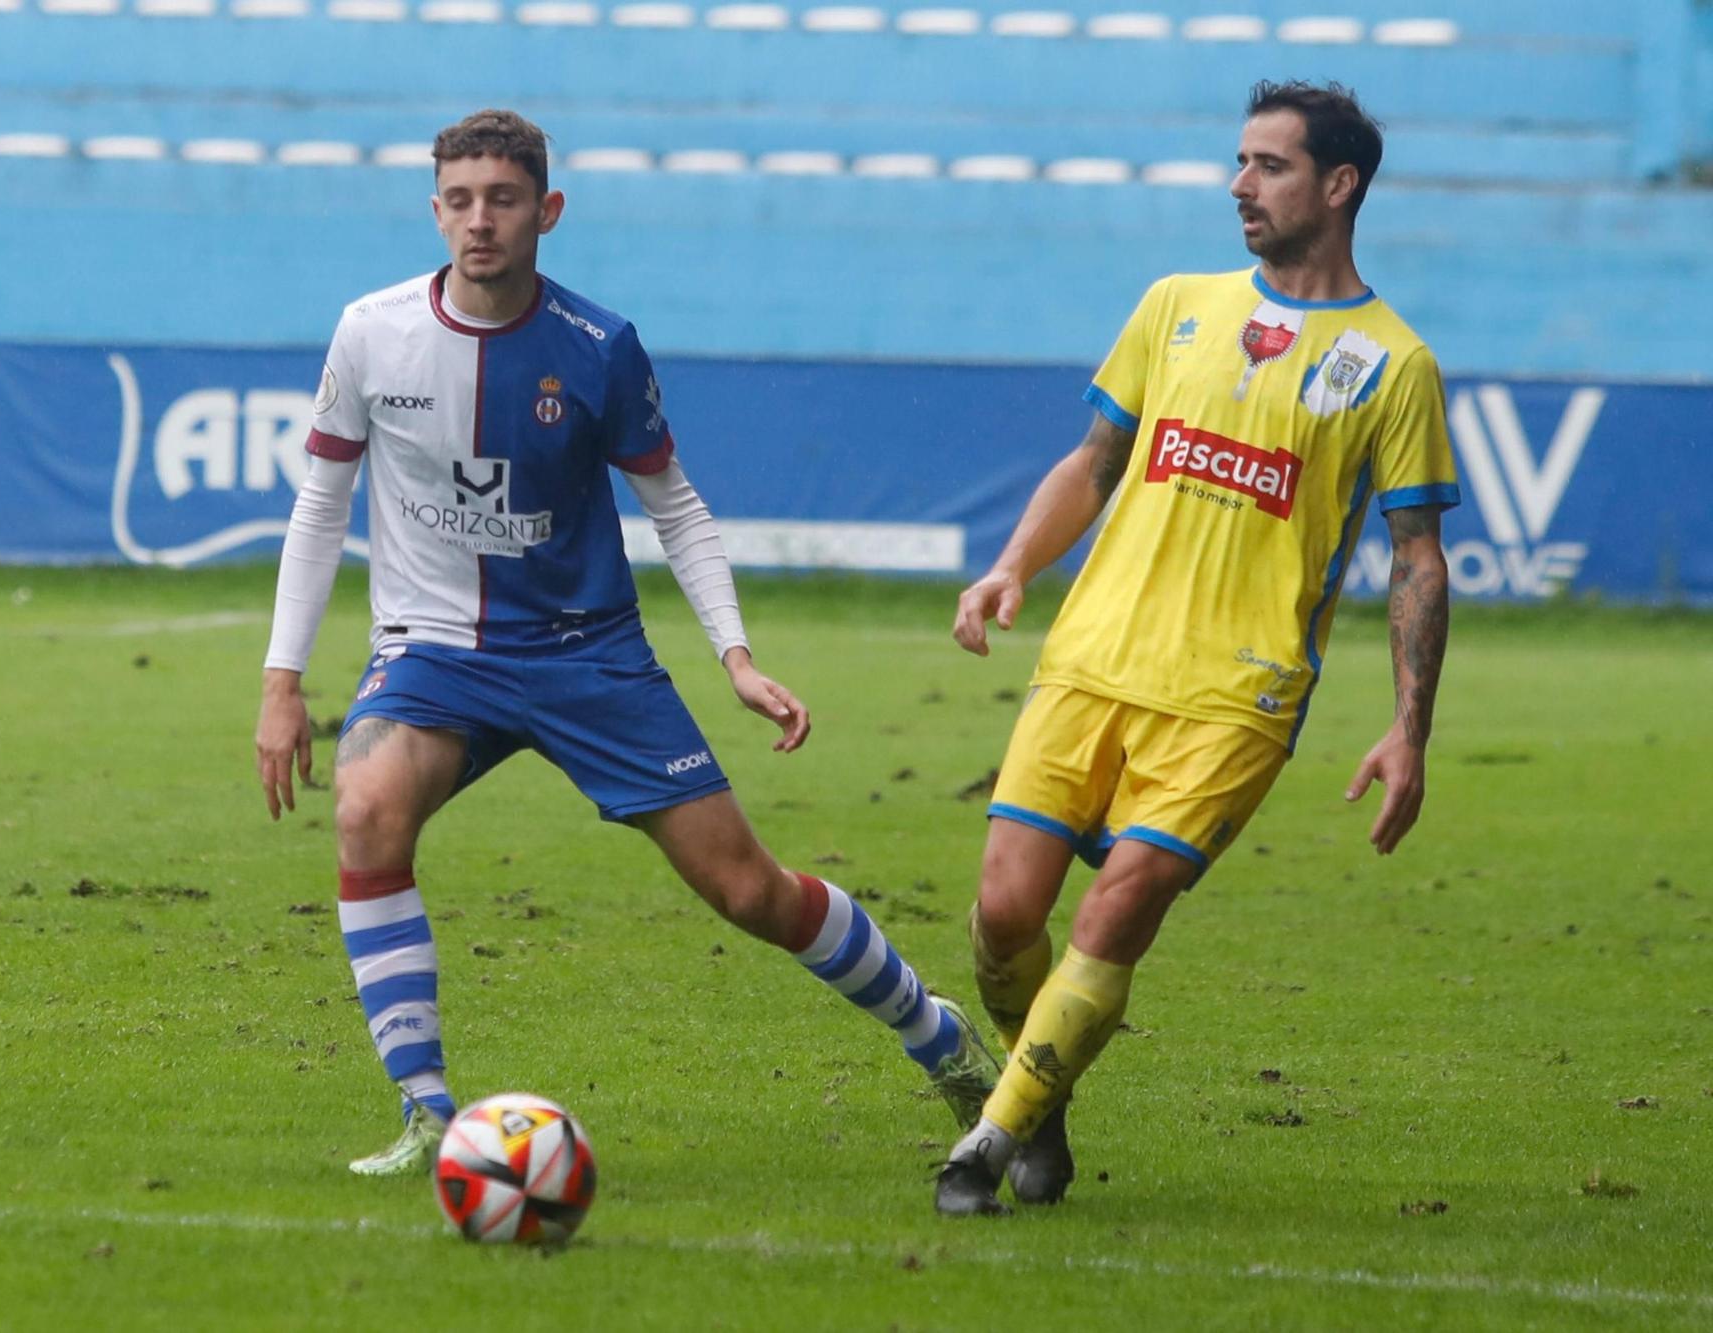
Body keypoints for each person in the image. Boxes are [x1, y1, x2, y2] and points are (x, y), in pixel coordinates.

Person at [254, 109, 999, 1178]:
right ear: (433, 210)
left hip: (585, 655)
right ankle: (426, 1114)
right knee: (366, 809)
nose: (479, 221)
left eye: (502, 199)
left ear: (544, 211)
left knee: (749, 892)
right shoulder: (370, 334)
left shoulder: (598, 349)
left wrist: (734, 657)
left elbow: (679, 510)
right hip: (434, 651)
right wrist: (283, 682)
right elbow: (318, 506)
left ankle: (941, 1040)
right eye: (458, 200)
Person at [936, 81, 1457, 1216]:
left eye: (1267, 165)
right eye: (1237, 162)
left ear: (1337, 184)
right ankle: (1043, 1106)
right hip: (1091, 658)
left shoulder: (1391, 362)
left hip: (1237, 695)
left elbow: (1415, 554)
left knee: (1114, 909)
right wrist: (1012, 565)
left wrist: (1406, 728)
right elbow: (1092, 460)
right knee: (1000, 918)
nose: (1238, 185)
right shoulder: (1175, 303)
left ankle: (985, 1140)